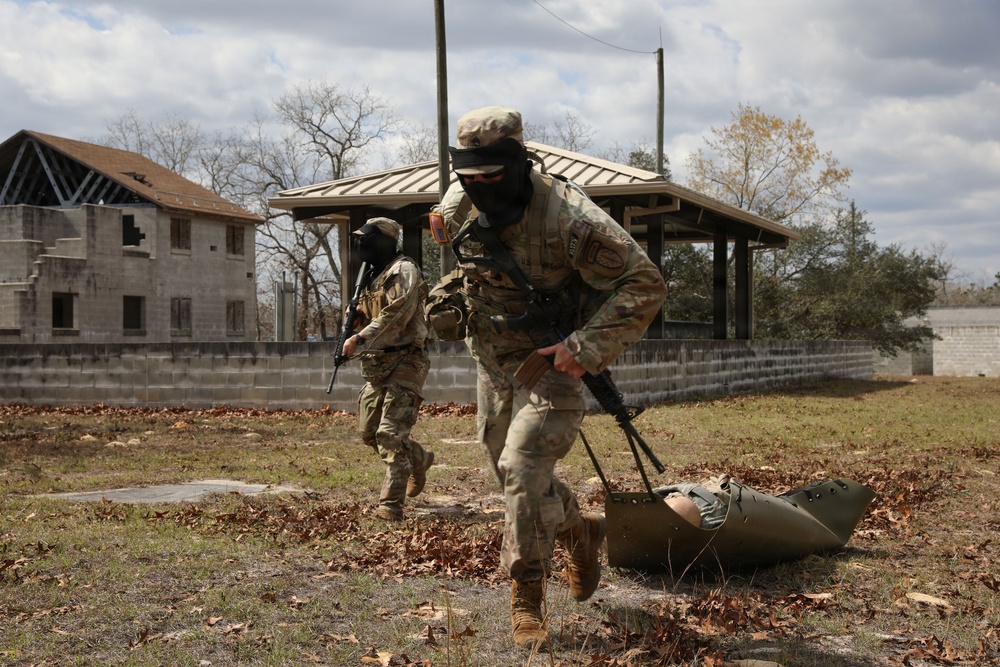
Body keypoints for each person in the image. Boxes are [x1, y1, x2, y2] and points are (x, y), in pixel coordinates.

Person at [431, 106, 667, 650]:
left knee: (522, 466)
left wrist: (584, 348)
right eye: (468, 174)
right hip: (493, 358)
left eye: (491, 174)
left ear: (518, 161)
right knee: (508, 473)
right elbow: (448, 214)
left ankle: (527, 598)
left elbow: (646, 283)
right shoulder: (461, 193)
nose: (477, 186)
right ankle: (579, 531)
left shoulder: (570, 218)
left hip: (555, 358)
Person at [340, 217, 434, 521]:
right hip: (376, 363)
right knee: (369, 432)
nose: (361, 245)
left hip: (407, 358)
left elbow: (398, 314)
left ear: (384, 241)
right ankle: (418, 459)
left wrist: (361, 337)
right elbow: (361, 316)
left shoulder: (403, 270)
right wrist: (349, 326)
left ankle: (390, 506)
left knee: (390, 433)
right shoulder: (368, 276)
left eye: (367, 239)